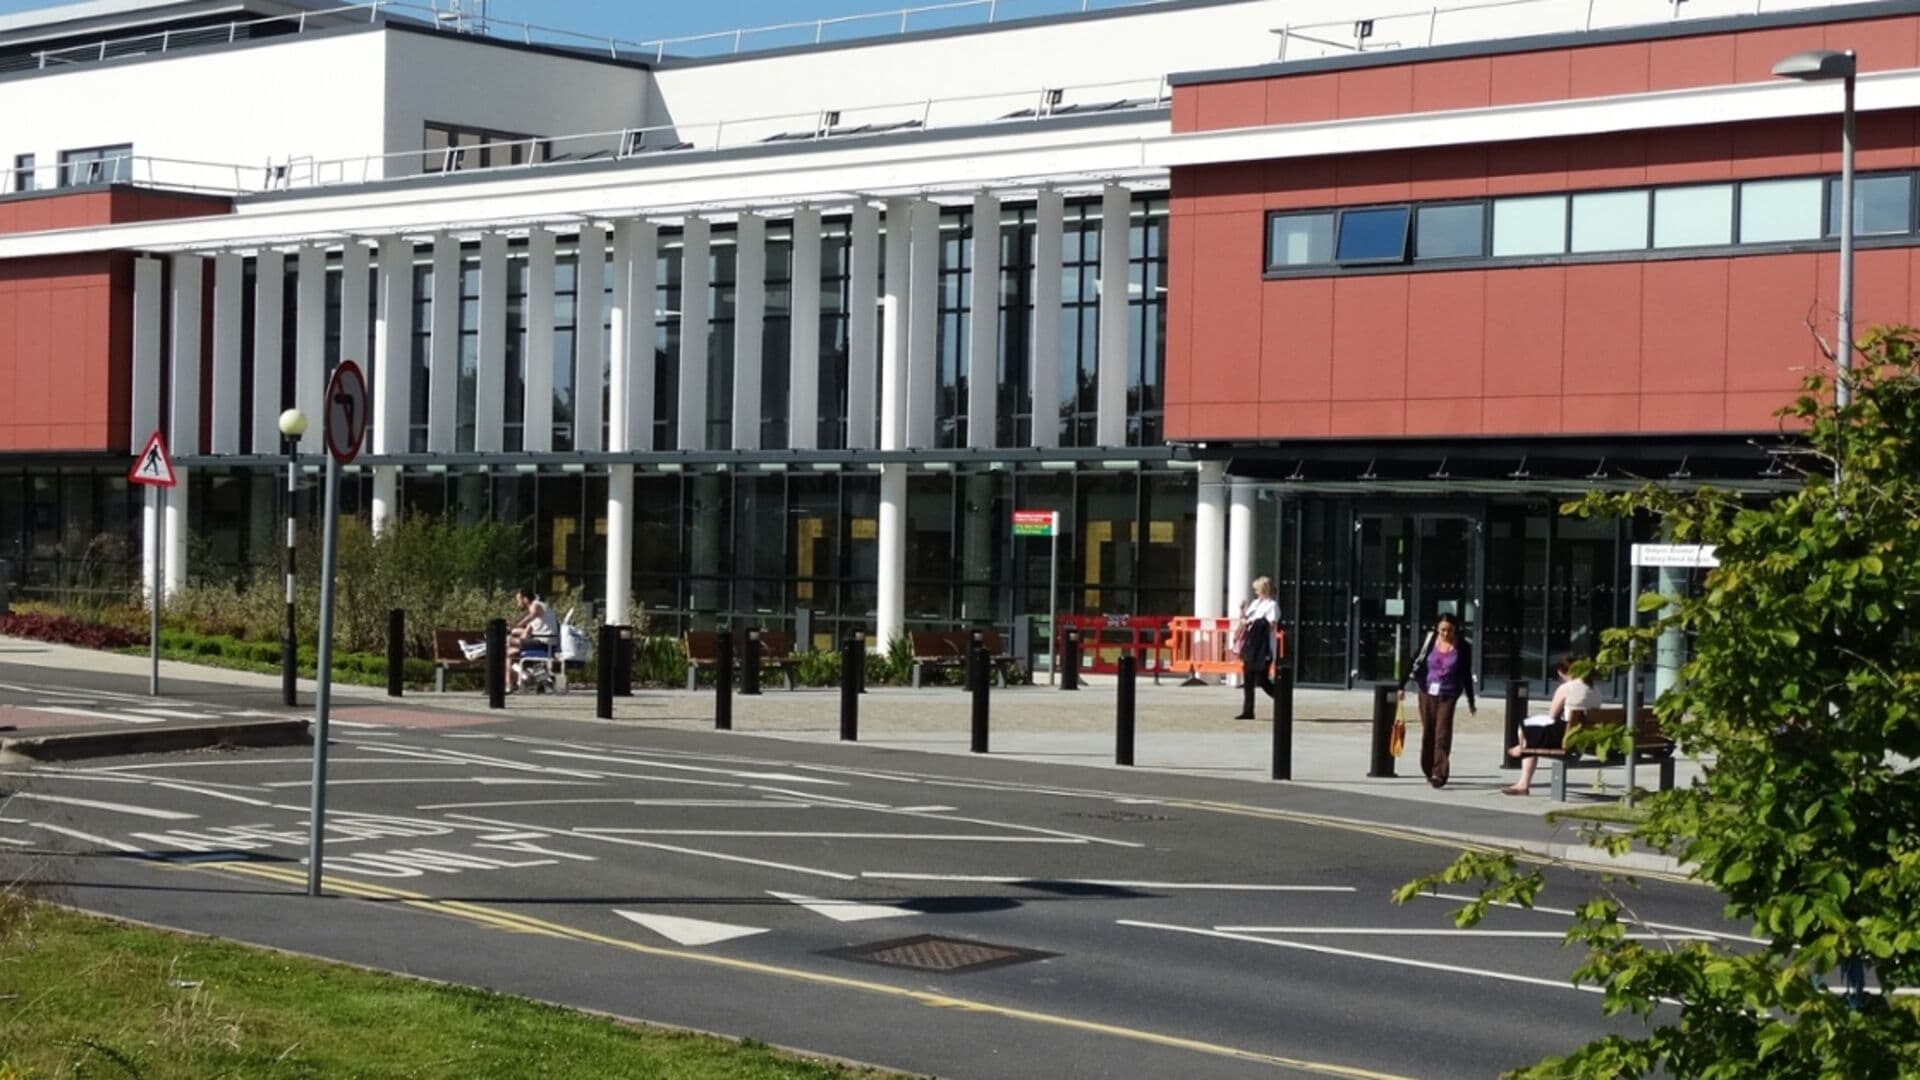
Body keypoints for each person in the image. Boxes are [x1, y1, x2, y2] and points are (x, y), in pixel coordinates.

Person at [1503, 655, 1602, 796]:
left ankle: (1523, 774)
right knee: (1531, 732)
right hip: (1587, 737)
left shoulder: (1566, 688)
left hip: (1568, 738)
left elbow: (1551, 717)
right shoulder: (1595, 689)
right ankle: (1523, 749)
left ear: (1563, 672)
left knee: (1526, 728)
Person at [1398, 612, 1476, 788]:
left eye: (1449, 630)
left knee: (1442, 733)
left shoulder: (1463, 647)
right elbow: (1413, 661)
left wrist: (1471, 700)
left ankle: (1439, 773)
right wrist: (1401, 686)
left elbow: (1466, 673)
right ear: (1437, 629)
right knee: (1429, 732)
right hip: (1427, 692)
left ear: (1455, 630)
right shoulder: (1429, 641)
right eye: (1442, 630)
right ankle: (1428, 769)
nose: (1446, 634)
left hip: (1448, 693)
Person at [1231, 577, 1280, 719]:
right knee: (1248, 679)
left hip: (1263, 646)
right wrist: (1242, 613)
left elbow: (1270, 624)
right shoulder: (1255, 604)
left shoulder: (1272, 605)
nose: (1255, 592)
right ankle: (1248, 710)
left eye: (1257, 589)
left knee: (1262, 679)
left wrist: (1253, 623)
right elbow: (1245, 620)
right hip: (1251, 645)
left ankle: (1280, 697)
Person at [505, 587, 557, 693]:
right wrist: (515, 631)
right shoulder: (540, 617)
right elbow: (526, 634)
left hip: (544, 642)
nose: (518, 604)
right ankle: (512, 682)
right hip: (542, 641)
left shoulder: (536, 605)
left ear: (525, 599)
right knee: (509, 653)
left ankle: (511, 684)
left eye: (519, 600)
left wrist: (516, 625)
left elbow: (532, 614)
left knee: (506, 643)